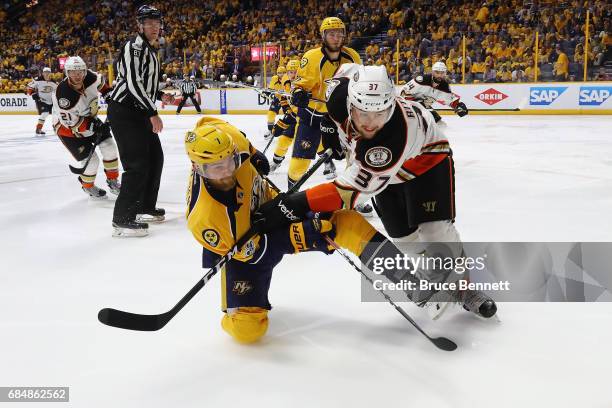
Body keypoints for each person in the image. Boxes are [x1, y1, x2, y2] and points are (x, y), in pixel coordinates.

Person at [184, 117, 482, 344]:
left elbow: (207, 122)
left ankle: (414, 284)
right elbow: (258, 251)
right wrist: (307, 230)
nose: (224, 171)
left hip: (270, 209)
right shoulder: (206, 219)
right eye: (214, 168)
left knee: (345, 222)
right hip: (245, 249)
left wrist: (251, 152)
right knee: (248, 334)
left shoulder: (228, 142)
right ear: (198, 169)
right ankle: (235, 312)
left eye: (228, 162)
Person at [253, 64, 497, 319]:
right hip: (382, 176)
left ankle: (464, 287)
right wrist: (331, 131)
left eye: (380, 114)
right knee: (403, 237)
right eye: (363, 114)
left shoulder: (391, 137)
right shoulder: (338, 95)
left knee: (435, 231)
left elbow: (348, 194)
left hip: (426, 162)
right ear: (350, 103)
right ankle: (433, 272)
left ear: (391, 105)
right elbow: (341, 79)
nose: (371, 124)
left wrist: (294, 203)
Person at [107, 5, 174, 237]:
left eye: (157, 23)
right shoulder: (133, 47)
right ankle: (122, 218)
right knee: (136, 165)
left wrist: (159, 95)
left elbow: (146, 85)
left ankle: (144, 207)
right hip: (125, 112)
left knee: (155, 159)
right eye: (149, 23)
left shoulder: (151, 49)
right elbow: (133, 83)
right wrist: (152, 112)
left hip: (139, 111)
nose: (154, 27)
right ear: (140, 25)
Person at [289, 17, 361, 187]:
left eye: (340, 34)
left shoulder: (353, 56)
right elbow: (298, 86)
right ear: (323, 35)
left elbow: (359, 84)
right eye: (331, 34)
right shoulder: (312, 57)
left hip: (342, 117)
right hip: (312, 116)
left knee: (355, 158)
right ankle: (291, 195)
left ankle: (352, 197)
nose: (336, 38)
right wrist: (299, 93)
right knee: (300, 161)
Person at [52, 56, 120, 199]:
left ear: (85, 71)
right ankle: (88, 186)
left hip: (89, 119)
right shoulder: (63, 94)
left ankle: (113, 180)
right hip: (67, 130)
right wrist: (93, 126)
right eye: (72, 72)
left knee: (109, 146)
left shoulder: (91, 77)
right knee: (92, 161)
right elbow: (72, 123)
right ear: (67, 73)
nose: (77, 75)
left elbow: (102, 85)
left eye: (80, 71)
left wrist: (108, 95)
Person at [400, 61, 468, 124]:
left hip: (424, 105)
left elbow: (449, 99)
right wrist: (411, 105)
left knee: (439, 123)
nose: (439, 75)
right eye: (437, 72)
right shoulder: (422, 80)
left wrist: (457, 106)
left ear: (445, 73)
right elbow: (404, 91)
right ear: (432, 72)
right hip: (408, 105)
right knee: (430, 122)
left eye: (442, 73)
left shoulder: (445, 86)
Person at [269, 59, 299, 172]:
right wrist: (287, 111)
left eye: (295, 71)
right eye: (290, 72)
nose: (293, 74)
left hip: (306, 118)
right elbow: (283, 98)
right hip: (293, 116)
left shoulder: (306, 82)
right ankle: (276, 162)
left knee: (312, 143)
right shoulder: (286, 82)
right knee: (283, 141)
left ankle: (328, 163)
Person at [27, 67, 57, 136]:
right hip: (41, 101)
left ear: (50, 73)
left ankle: (56, 127)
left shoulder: (53, 82)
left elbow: (58, 90)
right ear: (42, 73)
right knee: (45, 113)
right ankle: (38, 129)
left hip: (52, 101)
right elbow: (29, 87)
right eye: (45, 72)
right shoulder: (37, 80)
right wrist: (33, 94)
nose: (46, 74)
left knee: (56, 115)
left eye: (48, 72)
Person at [264, 66, 285, 140]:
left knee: (292, 116)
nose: (281, 74)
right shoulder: (274, 78)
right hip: (278, 98)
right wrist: (267, 92)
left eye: (283, 73)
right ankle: (270, 130)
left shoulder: (289, 79)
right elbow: (271, 89)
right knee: (270, 115)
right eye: (279, 73)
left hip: (288, 100)